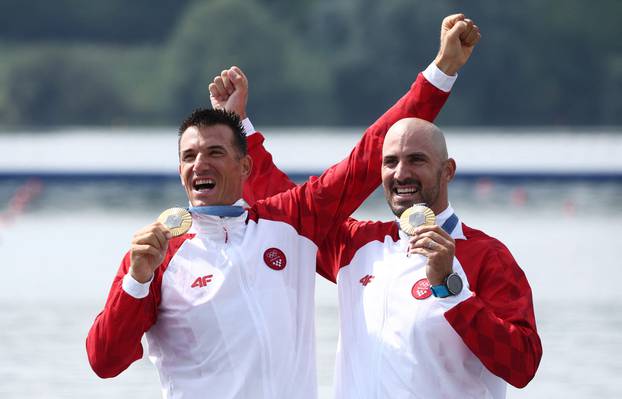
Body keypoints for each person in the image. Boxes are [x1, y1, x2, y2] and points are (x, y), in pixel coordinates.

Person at [85, 14, 473, 399]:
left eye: (215, 152)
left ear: (245, 166)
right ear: (180, 169)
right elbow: (105, 361)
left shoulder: (290, 221)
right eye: (189, 156)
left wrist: (442, 72)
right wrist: (135, 283)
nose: (199, 164)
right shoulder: (156, 255)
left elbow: (368, 155)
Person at [215, 18, 541, 399]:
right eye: (390, 162)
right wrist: (237, 126)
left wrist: (452, 290)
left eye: (416, 160)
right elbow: (287, 207)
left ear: (447, 170)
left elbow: (522, 366)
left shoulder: (487, 256)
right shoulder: (357, 247)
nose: (401, 173)